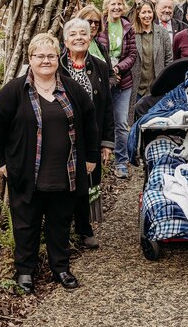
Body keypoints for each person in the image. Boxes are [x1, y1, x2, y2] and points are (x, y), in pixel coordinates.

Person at [0, 33, 99, 293]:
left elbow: (90, 122)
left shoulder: (71, 88)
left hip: (65, 171)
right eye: (40, 56)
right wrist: (0, 161)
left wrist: (90, 157)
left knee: (60, 223)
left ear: (57, 59)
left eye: (50, 56)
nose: (45, 61)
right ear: (30, 59)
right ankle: (25, 271)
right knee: (26, 224)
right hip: (27, 172)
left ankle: (61, 268)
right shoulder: (16, 90)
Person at [58, 19, 114, 249]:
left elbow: (107, 106)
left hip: (90, 134)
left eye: (84, 33)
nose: (79, 37)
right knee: (61, 183)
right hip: (60, 135)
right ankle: (60, 231)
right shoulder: (57, 65)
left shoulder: (99, 65)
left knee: (87, 181)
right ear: (65, 40)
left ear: (90, 37)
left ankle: (84, 228)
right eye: (73, 34)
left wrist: (106, 142)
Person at [96, 0, 137, 179]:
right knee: (100, 121)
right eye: (113, 3)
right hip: (101, 81)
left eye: (120, 3)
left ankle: (121, 162)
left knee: (121, 122)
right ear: (106, 5)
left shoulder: (128, 27)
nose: (117, 7)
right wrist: (107, 72)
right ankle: (98, 160)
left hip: (123, 82)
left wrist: (118, 69)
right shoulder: (99, 25)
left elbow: (132, 55)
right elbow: (93, 50)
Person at [131, 0, 173, 121]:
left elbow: (169, 59)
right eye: (143, 12)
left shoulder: (162, 33)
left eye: (149, 12)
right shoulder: (131, 32)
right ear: (138, 14)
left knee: (156, 121)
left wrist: (166, 81)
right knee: (136, 122)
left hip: (156, 87)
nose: (147, 15)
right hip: (137, 87)